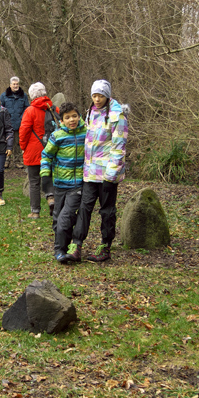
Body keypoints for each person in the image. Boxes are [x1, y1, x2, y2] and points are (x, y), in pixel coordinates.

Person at [66, 80, 129, 263]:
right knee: (84, 208)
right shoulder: (90, 113)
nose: (97, 99)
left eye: (100, 95)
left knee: (107, 211)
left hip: (108, 174)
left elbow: (119, 147)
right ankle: (76, 245)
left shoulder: (117, 116)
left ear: (107, 96)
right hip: (90, 172)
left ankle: (105, 246)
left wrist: (111, 175)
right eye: (94, 95)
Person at [40, 102, 87, 264]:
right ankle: (62, 247)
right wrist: (45, 175)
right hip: (59, 185)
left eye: (74, 116)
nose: (71, 120)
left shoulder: (86, 134)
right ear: (62, 120)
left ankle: (60, 250)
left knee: (65, 218)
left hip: (77, 185)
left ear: (79, 117)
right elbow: (46, 155)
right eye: (67, 117)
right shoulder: (57, 136)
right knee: (57, 218)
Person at [19, 82, 59, 218]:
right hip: (51, 150)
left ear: (32, 96)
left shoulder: (30, 111)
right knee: (49, 176)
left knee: (34, 181)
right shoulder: (53, 109)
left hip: (34, 150)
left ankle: (35, 211)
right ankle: (51, 198)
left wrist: (23, 147)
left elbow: (23, 132)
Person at [0, 76, 29, 168]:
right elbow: (1, 109)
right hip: (7, 124)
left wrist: (22, 118)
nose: (16, 86)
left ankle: (17, 161)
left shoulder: (23, 95)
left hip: (19, 123)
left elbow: (27, 108)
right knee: (7, 142)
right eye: (14, 84)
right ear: (10, 85)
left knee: (17, 143)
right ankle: (6, 161)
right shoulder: (4, 96)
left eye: (17, 84)